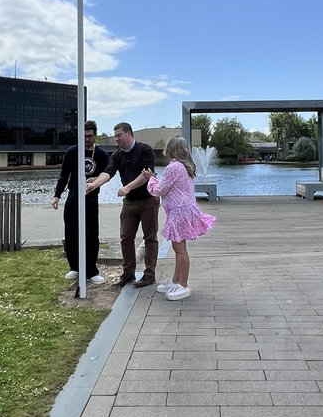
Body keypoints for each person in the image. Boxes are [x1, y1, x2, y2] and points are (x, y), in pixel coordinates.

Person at [86, 122, 158, 288]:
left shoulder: (145, 149)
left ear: (129, 133)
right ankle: (128, 273)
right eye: (115, 136)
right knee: (126, 237)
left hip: (148, 200)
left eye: (119, 135)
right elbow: (108, 172)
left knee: (150, 237)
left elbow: (146, 175)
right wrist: (95, 184)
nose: (116, 139)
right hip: (130, 202)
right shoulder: (117, 155)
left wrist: (128, 187)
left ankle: (149, 274)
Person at [143, 136, 215, 301]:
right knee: (178, 248)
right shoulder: (186, 166)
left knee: (180, 249)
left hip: (179, 212)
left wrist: (151, 178)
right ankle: (176, 280)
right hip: (184, 209)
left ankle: (183, 284)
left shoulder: (173, 167)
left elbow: (160, 190)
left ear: (170, 149)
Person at [52, 120, 109, 285]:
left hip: (91, 199)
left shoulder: (101, 154)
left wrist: (96, 179)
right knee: (71, 233)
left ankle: (92, 271)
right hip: (73, 198)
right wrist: (57, 195)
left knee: (91, 235)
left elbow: (108, 174)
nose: (87, 139)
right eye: (84, 136)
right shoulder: (72, 152)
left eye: (90, 136)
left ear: (95, 135)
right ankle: (75, 267)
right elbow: (64, 175)